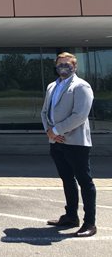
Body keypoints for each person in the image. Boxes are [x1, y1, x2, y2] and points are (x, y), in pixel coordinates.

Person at [42, 52, 97, 237]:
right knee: (67, 179)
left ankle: (90, 223)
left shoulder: (81, 86)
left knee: (85, 182)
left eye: (67, 64)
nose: (63, 67)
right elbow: (44, 112)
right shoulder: (52, 86)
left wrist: (57, 130)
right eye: (60, 64)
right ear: (56, 66)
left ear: (74, 67)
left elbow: (80, 115)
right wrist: (50, 132)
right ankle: (71, 216)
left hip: (76, 142)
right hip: (56, 142)